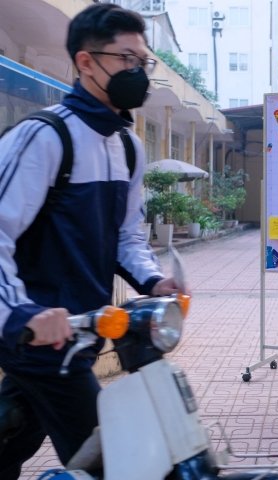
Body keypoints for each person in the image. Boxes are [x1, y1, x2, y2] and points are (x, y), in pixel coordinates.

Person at [0, 4, 181, 478]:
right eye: (126, 59)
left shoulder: (127, 147)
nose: (137, 72)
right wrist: (22, 314)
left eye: (143, 62)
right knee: (116, 462)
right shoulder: (44, 137)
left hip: (87, 331)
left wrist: (155, 281)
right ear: (86, 62)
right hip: (39, 337)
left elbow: (127, 236)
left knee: (9, 440)